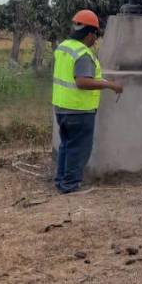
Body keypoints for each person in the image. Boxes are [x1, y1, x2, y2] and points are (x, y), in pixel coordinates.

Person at [52, 10, 123, 193]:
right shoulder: (83, 54)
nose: (95, 40)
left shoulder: (63, 47)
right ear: (90, 34)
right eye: (95, 35)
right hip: (79, 110)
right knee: (78, 149)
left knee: (66, 146)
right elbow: (82, 82)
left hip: (62, 107)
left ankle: (61, 181)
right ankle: (70, 185)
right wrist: (109, 85)